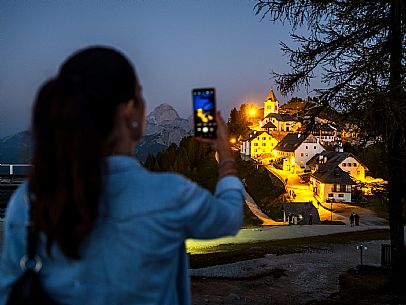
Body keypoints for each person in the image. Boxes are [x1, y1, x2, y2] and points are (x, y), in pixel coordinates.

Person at [0, 47, 243, 305]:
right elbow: (229, 216)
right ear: (130, 110)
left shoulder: (27, 203)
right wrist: (225, 154)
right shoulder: (170, 194)